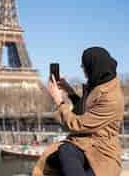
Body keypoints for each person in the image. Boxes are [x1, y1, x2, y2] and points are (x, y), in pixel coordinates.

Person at [32, 47, 124, 176]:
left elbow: (79, 124)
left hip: (102, 151)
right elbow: (86, 110)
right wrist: (68, 90)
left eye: (84, 66)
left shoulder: (112, 98)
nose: (82, 69)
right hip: (87, 145)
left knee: (64, 153)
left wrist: (59, 101)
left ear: (93, 66)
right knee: (62, 153)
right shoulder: (100, 82)